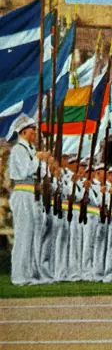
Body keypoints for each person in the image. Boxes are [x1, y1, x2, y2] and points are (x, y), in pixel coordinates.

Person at [7, 115, 51, 285]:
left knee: (32, 234)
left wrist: (42, 160)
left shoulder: (31, 150)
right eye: (33, 130)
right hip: (22, 192)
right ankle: (19, 275)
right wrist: (37, 159)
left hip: (32, 193)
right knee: (24, 234)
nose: (35, 133)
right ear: (24, 132)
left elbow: (43, 173)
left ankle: (30, 273)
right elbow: (26, 171)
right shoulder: (18, 149)